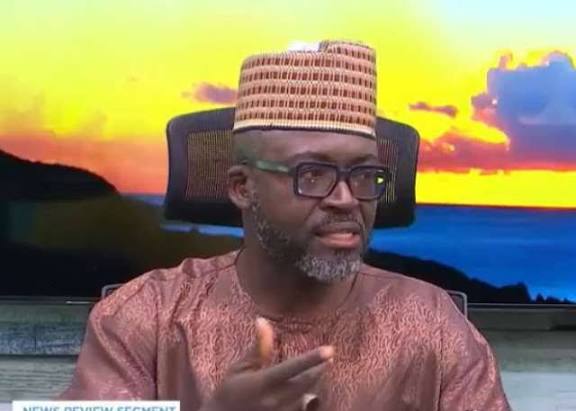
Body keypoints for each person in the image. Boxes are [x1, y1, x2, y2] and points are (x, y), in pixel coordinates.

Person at [59, 40, 511, 411]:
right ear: (242, 187)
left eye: (363, 175)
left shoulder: (430, 323)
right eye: (312, 174)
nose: (345, 199)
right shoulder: (147, 317)